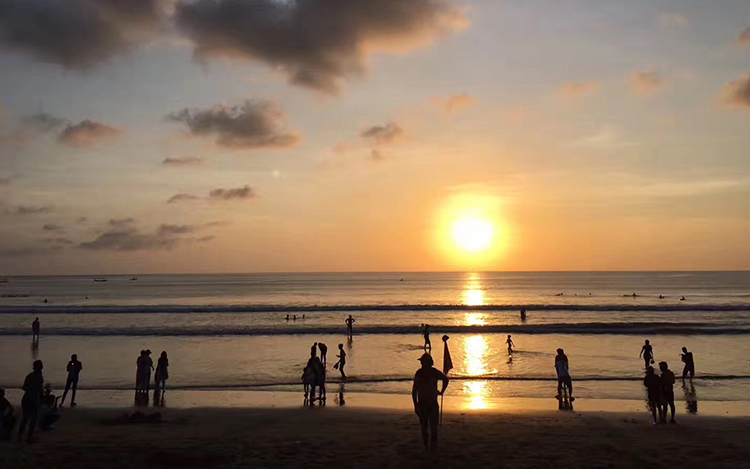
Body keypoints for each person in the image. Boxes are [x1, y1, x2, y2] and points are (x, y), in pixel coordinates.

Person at [412, 353, 449, 452]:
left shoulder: (431, 373)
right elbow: (414, 390)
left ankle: (432, 447)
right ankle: (427, 446)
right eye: (422, 362)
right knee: (425, 426)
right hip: (423, 403)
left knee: (433, 427)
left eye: (423, 362)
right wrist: (416, 405)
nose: (422, 364)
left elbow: (446, 379)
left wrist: (442, 391)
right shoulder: (420, 373)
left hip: (431, 403)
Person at [18, 360, 44, 443]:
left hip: (28, 398)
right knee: (32, 418)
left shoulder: (30, 376)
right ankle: (27, 436)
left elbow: (24, 387)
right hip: (31, 399)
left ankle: (21, 436)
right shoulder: (38, 377)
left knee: (26, 418)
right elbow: (39, 390)